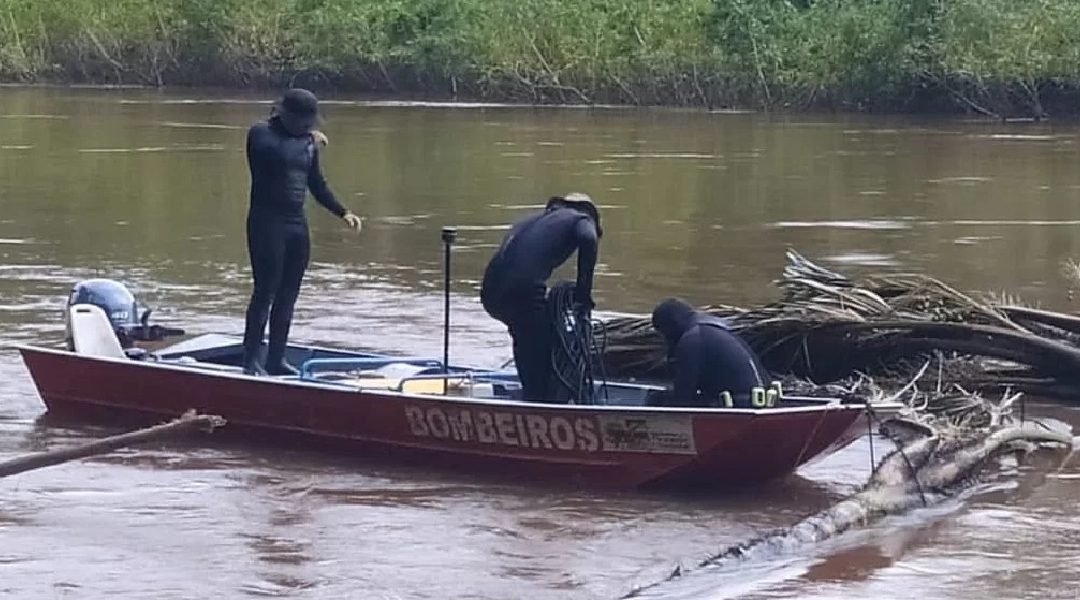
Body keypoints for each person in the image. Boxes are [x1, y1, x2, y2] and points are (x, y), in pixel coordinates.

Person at [241, 88, 362, 376]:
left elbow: (316, 183)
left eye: (310, 123)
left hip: (296, 224)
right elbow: (280, 153)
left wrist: (342, 211)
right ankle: (250, 361)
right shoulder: (261, 134)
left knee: (288, 295)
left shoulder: (306, 143)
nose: (308, 127)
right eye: (304, 122)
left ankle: (276, 359)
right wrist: (308, 139)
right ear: (285, 115)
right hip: (267, 223)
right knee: (265, 292)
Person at [481, 193, 602, 402]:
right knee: (545, 345)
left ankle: (532, 396)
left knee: (528, 337)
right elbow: (589, 238)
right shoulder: (580, 218)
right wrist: (583, 294)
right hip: (522, 291)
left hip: (490, 293)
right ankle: (541, 402)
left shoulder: (531, 221)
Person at [650, 298, 770, 408]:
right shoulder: (715, 328)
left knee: (658, 399)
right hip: (763, 401)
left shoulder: (692, 339)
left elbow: (683, 395)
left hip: (739, 406)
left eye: (663, 334)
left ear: (671, 326)